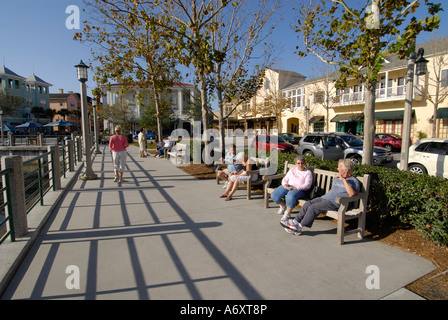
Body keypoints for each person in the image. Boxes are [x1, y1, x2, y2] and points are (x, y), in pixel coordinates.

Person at [281, 159, 360, 235]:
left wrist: (344, 180)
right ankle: (295, 222)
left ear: (346, 170)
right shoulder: (337, 177)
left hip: (336, 203)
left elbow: (352, 194)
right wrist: (325, 195)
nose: (337, 168)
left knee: (313, 207)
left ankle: (299, 228)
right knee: (308, 203)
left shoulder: (354, 181)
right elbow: (332, 190)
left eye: (339, 167)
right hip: (325, 198)